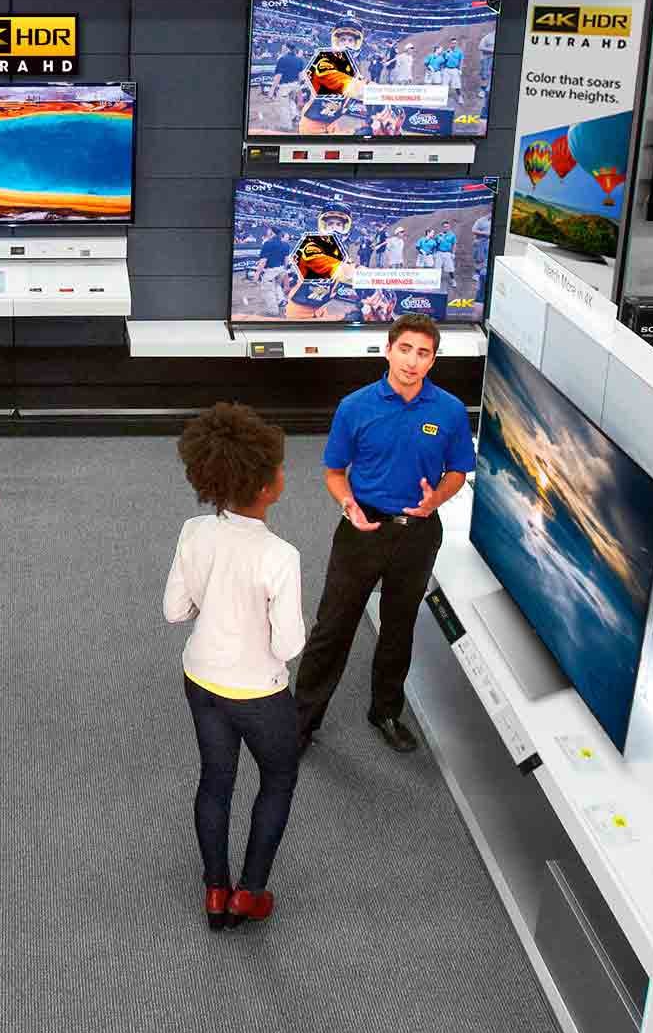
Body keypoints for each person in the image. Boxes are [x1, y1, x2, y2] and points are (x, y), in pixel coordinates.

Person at [293, 314, 474, 754]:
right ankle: (300, 721)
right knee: (332, 627)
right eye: (405, 349)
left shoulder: (450, 411)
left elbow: (458, 471)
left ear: (433, 361)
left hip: (419, 534)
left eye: (423, 353)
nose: (412, 361)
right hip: (362, 529)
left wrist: (436, 499)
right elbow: (335, 472)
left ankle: (386, 711)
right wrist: (348, 504)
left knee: (399, 627)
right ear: (388, 350)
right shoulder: (355, 407)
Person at [165, 403, 305, 930]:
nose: (283, 473)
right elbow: (288, 645)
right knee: (279, 778)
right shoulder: (280, 556)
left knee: (216, 780)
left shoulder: (194, 530)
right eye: (279, 467)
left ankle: (215, 890)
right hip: (258, 694)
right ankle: (250, 894)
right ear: (265, 487)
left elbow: (174, 610)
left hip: (201, 679)